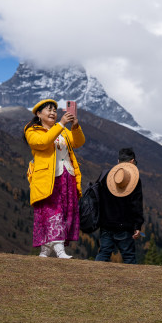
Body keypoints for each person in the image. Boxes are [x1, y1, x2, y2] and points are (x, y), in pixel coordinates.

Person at [24, 99, 85, 258]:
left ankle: (45, 250)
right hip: (47, 179)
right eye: (48, 110)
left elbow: (79, 142)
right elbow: (43, 143)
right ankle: (59, 250)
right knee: (52, 212)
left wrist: (75, 126)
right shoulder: (32, 130)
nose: (52, 113)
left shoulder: (63, 130)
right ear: (39, 114)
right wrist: (61, 124)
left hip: (67, 175)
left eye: (54, 111)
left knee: (64, 212)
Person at [95, 148, 145, 264]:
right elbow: (136, 205)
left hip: (106, 224)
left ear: (118, 161)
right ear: (132, 161)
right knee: (129, 257)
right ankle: (132, 282)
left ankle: (93, 279)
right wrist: (137, 225)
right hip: (125, 226)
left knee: (103, 254)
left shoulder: (105, 176)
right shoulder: (134, 180)